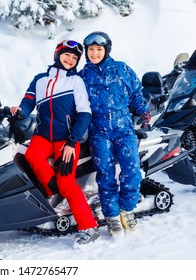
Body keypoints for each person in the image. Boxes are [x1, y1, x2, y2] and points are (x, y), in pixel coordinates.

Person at [10, 40, 99, 247]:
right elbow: (28, 101)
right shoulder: (40, 80)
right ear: (57, 54)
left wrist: (72, 141)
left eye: (75, 58)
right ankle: (52, 195)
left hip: (66, 139)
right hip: (43, 136)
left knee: (67, 183)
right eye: (67, 55)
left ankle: (89, 227)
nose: (70, 59)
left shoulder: (75, 81)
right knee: (29, 156)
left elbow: (85, 113)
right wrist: (20, 111)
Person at [79, 31, 151, 238]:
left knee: (132, 171)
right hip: (99, 131)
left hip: (123, 128)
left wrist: (144, 114)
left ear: (106, 50)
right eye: (91, 50)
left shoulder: (121, 69)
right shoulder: (83, 76)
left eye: (98, 49)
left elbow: (136, 94)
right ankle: (111, 217)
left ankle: (126, 210)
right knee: (105, 175)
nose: (94, 53)